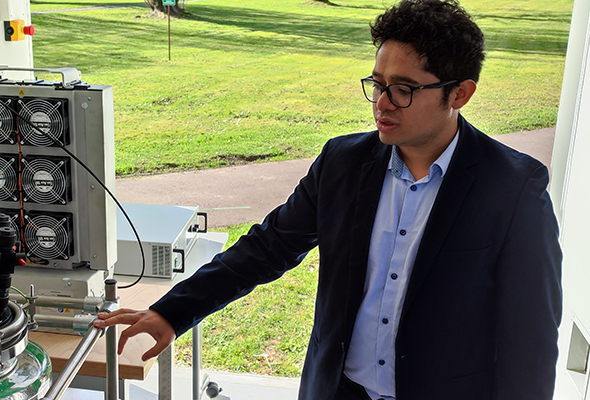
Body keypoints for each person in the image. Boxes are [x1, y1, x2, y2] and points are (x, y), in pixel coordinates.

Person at [94, 0, 563, 399]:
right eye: (377, 83)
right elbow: (268, 248)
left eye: (403, 89)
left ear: (459, 93)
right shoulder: (343, 163)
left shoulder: (514, 187)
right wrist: (174, 311)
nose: (381, 102)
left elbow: (531, 338)